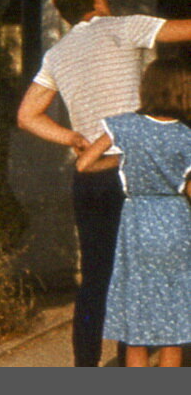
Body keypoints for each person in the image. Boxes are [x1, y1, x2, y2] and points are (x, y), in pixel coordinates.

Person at [17, 0, 191, 365]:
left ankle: (86, 370)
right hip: (138, 174)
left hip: (91, 173)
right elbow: (185, 31)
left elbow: (28, 115)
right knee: (153, 275)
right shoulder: (125, 27)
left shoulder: (57, 54)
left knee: (96, 277)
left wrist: (75, 139)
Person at [75, 55, 191, 367]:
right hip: (175, 221)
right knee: (173, 322)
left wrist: (122, 161)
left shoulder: (124, 125)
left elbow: (84, 164)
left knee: (136, 321)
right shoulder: (186, 135)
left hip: (137, 221)